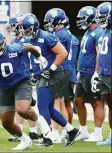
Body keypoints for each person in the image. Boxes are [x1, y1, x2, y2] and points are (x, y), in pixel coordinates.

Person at [0, 29, 51, 151]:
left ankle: (41, 122)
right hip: (4, 88)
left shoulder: (15, 48)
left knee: (22, 110)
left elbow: (30, 47)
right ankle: (25, 140)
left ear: (3, 42)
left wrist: (40, 57)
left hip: (21, 82)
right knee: (6, 123)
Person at [21, 13, 80, 147]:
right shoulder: (30, 38)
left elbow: (63, 52)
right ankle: (71, 130)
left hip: (52, 74)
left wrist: (52, 68)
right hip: (42, 74)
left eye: (28, 30)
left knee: (42, 107)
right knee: (48, 107)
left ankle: (48, 138)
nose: (27, 33)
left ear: (35, 27)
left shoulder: (46, 36)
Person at [6, 13, 39, 142]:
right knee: (19, 104)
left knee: (28, 105)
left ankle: (33, 132)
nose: (12, 28)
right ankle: (18, 130)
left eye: (14, 26)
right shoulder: (15, 41)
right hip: (19, 75)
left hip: (29, 74)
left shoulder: (28, 39)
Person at [75, 6, 105, 142]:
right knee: (78, 101)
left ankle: (98, 133)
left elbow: (99, 54)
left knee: (96, 102)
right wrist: (79, 71)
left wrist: (96, 72)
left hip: (91, 72)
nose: (80, 21)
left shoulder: (98, 32)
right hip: (82, 72)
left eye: (83, 18)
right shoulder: (88, 32)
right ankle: (84, 131)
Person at [43, 8, 72, 143]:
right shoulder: (64, 33)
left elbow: (55, 52)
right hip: (64, 69)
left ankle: (58, 132)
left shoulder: (60, 34)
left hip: (61, 69)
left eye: (50, 21)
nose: (48, 24)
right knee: (60, 102)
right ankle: (64, 131)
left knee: (56, 102)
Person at [93, 2, 111, 146]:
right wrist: (96, 72)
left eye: (103, 17)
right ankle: (111, 135)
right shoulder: (103, 32)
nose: (101, 20)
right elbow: (99, 54)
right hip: (104, 74)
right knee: (110, 105)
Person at [61, 16, 80, 141]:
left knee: (66, 102)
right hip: (69, 72)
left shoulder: (67, 37)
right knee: (64, 102)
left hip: (67, 72)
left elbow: (68, 58)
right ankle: (66, 128)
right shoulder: (71, 37)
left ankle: (68, 129)